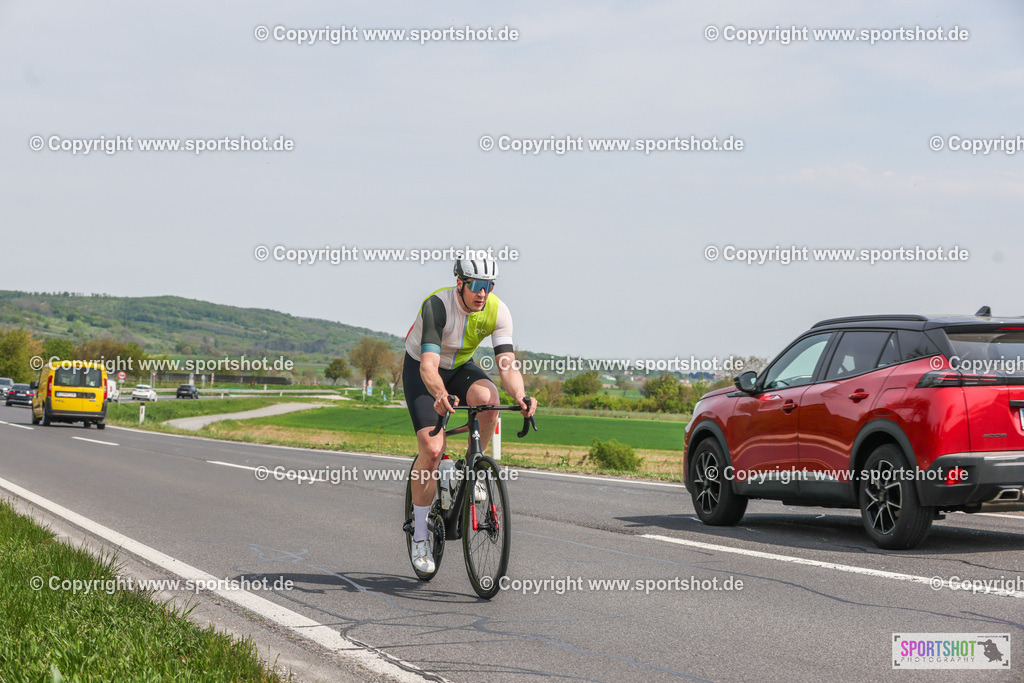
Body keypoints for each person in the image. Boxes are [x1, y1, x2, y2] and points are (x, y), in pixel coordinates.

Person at [403, 256, 536, 573]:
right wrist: (440, 395)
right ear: (460, 283)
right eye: (476, 285)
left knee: (489, 401)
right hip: (423, 370)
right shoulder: (437, 305)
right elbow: (428, 366)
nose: (482, 293)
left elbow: (507, 365)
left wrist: (520, 396)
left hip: (460, 367)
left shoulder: (498, 311)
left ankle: (472, 467)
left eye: (488, 286)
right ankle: (420, 534)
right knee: (432, 450)